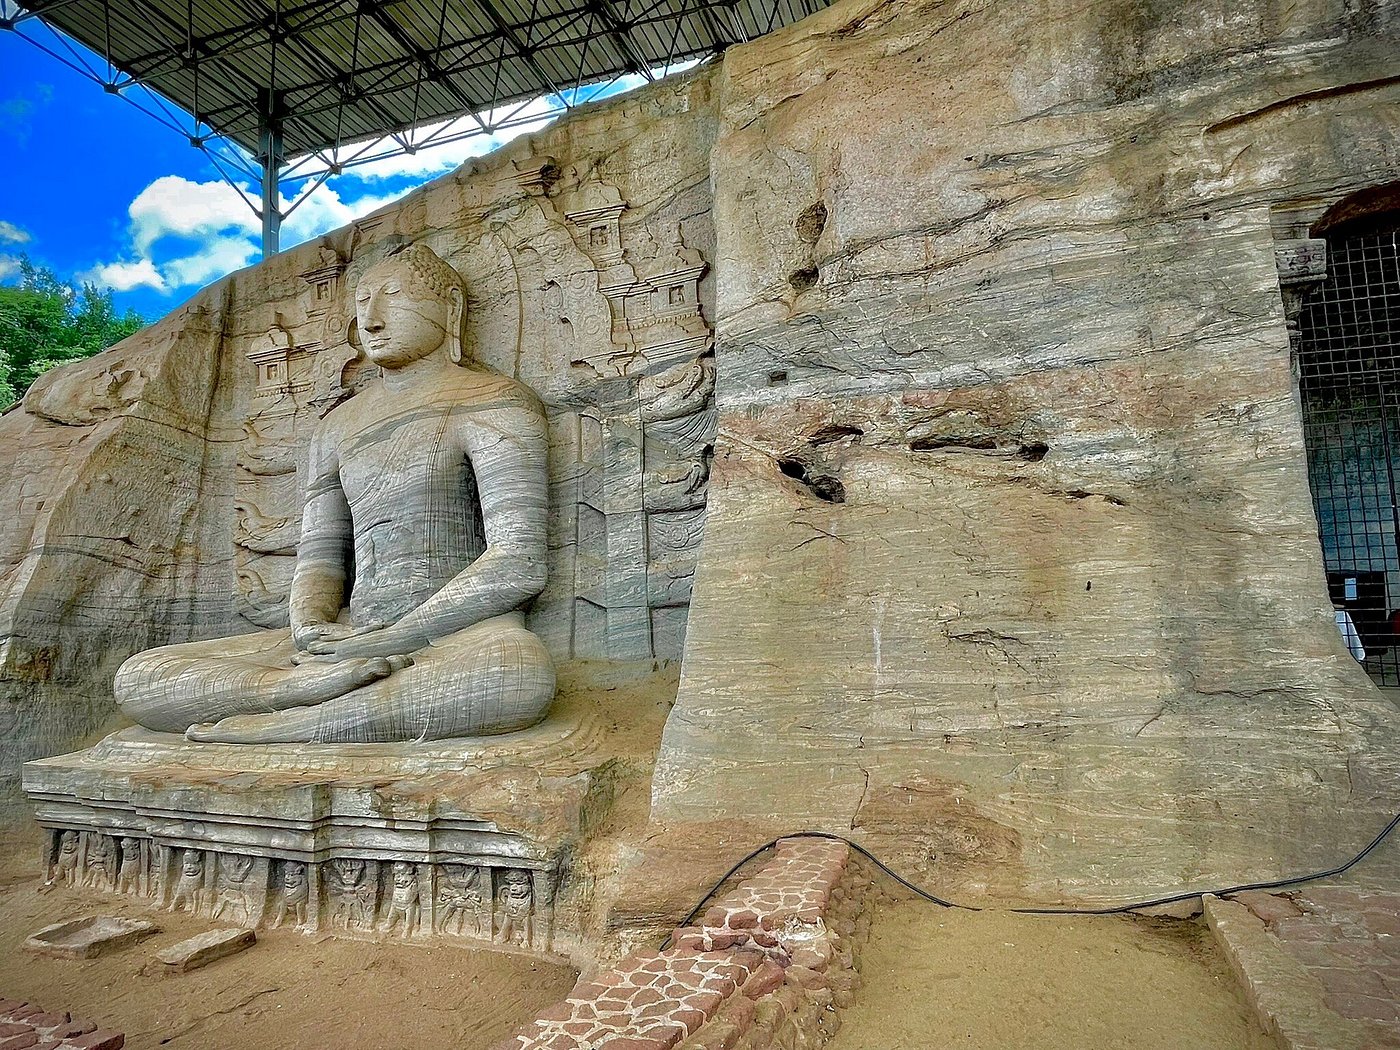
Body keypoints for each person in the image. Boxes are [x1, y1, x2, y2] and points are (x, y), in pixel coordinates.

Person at [114, 243, 555, 743]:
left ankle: (297, 724)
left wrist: (397, 636)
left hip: (457, 636)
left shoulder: (494, 400)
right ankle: (293, 691)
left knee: (518, 676)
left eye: (395, 296)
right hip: (348, 635)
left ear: (451, 307)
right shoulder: (336, 426)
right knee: (140, 677)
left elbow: (518, 561)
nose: (373, 319)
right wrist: (310, 628)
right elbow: (320, 559)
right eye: (363, 302)